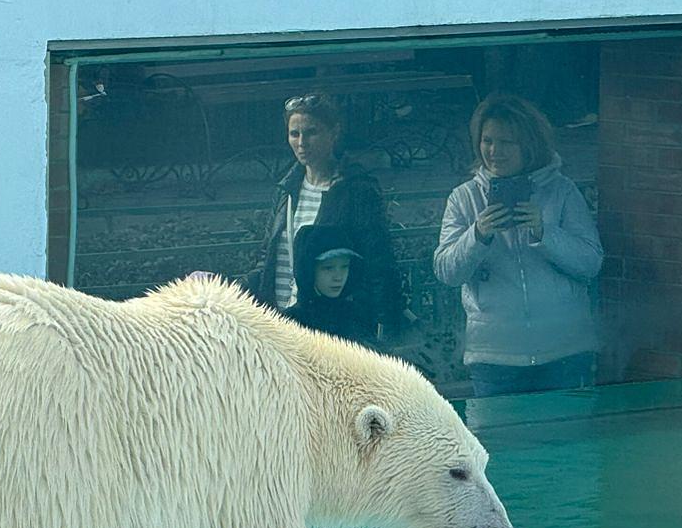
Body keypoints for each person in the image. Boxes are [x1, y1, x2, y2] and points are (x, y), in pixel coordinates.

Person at [434, 95, 604, 397]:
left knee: (567, 442)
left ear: (529, 144)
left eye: (506, 142)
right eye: (487, 141)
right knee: (499, 442)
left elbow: (590, 263)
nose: (494, 152)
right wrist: (478, 235)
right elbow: (447, 272)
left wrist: (544, 233)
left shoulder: (562, 191)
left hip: (564, 351)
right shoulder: (463, 198)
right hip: (494, 356)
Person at [250, 93, 403, 343]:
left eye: (311, 133)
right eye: (294, 134)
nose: (302, 143)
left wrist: (383, 325)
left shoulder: (355, 189)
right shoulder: (287, 189)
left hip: (331, 327)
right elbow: (268, 260)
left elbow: (379, 262)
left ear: (334, 133)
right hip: (282, 322)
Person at [284, 223, 372, 346]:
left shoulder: (356, 314)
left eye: (344, 267)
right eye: (328, 268)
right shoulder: (292, 321)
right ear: (308, 270)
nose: (338, 277)